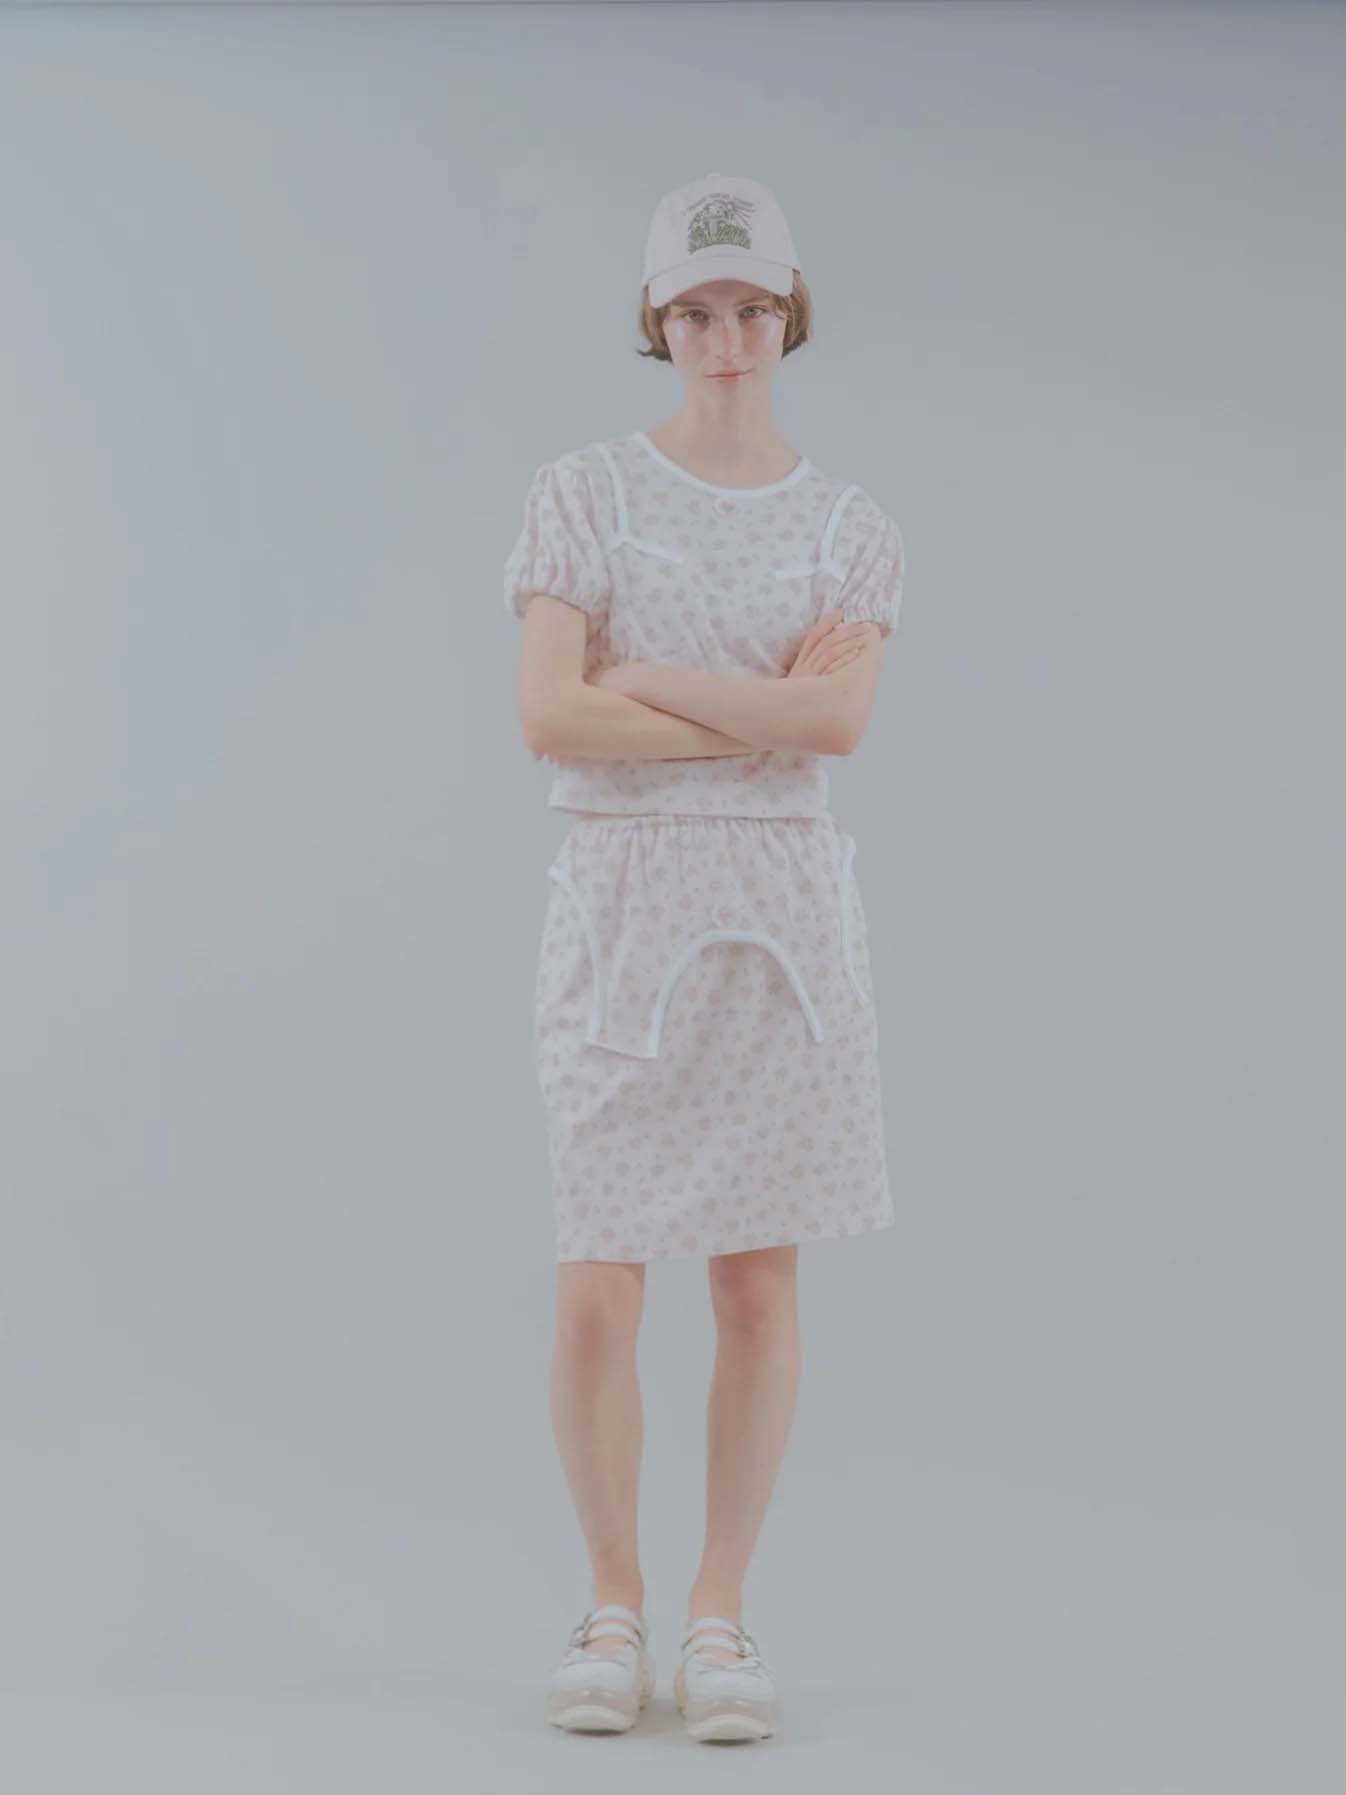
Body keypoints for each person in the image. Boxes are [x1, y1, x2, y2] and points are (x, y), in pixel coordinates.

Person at [502, 173, 906, 1744]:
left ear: (787, 314)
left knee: (754, 1279)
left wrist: (649, 679)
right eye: (693, 310)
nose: (723, 336)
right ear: (655, 321)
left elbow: (837, 724)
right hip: (620, 915)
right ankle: (611, 1603)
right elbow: (550, 716)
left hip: (780, 924)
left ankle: (720, 1609)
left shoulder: (850, 529)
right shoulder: (580, 494)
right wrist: (755, 713)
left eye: (748, 307)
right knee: (595, 1290)